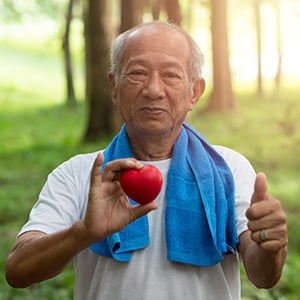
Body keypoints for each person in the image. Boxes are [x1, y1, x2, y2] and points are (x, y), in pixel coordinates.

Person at [6, 21, 288, 300]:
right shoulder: (80, 173)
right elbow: (18, 271)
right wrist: (83, 232)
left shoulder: (228, 169)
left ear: (194, 92)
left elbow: (263, 276)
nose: (153, 90)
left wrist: (269, 245)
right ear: (114, 86)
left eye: (171, 75)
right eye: (138, 73)